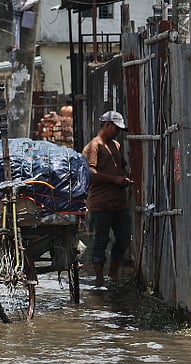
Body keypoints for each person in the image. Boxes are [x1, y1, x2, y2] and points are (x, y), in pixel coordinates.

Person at [82, 110, 133, 286]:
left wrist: (124, 178)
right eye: (116, 128)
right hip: (101, 204)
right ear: (107, 125)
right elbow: (90, 173)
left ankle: (113, 274)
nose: (117, 132)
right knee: (101, 240)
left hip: (119, 203)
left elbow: (122, 168)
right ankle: (99, 278)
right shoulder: (93, 146)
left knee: (124, 238)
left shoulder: (116, 145)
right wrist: (114, 179)